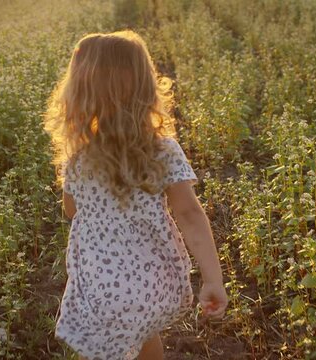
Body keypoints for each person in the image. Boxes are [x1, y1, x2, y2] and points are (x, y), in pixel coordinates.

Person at [43, 30, 228, 360]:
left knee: (110, 346)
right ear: (146, 88)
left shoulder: (78, 160)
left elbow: (72, 211)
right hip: (152, 285)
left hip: (102, 289)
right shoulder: (162, 151)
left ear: (79, 93)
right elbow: (189, 214)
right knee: (143, 335)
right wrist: (212, 278)